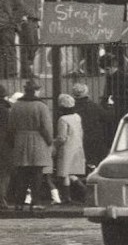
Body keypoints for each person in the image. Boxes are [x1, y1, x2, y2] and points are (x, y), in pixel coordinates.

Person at [7, 79, 53, 210]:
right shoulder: (41, 106)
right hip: (38, 140)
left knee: (22, 173)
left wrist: (12, 143)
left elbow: (11, 128)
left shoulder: (16, 106)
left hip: (20, 140)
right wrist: (50, 141)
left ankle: (19, 202)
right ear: (36, 91)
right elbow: (46, 127)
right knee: (37, 173)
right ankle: (36, 201)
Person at [71, 83, 111, 172]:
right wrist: (109, 106)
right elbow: (107, 117)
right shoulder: (93, 106)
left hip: (79, 138)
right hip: (95, 138)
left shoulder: (72, 108)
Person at [54, 93, 86, 204]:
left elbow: (62, 137)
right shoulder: (77, 117)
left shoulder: (62, 119)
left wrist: (54, 143)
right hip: (77, 146)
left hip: (67, 148)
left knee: (64, 173)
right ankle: (84, 191)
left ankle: (67, 197)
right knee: (71, 173)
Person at [13, 0, 40, 79]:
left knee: (33, 44)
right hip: (26, 17)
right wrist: (21, 14)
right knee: (28, 44)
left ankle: (27, 70)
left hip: (32, 17)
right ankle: (26, 72)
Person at [75, 0, 101, 77]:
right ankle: (91, 70)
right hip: (90, 20)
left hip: (89, 20)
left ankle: (91, 71)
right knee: (91, 48)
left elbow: (89, 4)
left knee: (90, 48)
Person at [0, 0, 25, 79]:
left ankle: (11, 76)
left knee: (9, 51)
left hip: (7, 27)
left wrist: (12, 23)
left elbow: (20, 8)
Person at [0, 85, 12, 208]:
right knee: (4, 173)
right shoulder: (6, 110)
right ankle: (1, 199)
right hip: (4, 146)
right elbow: (10, 129)